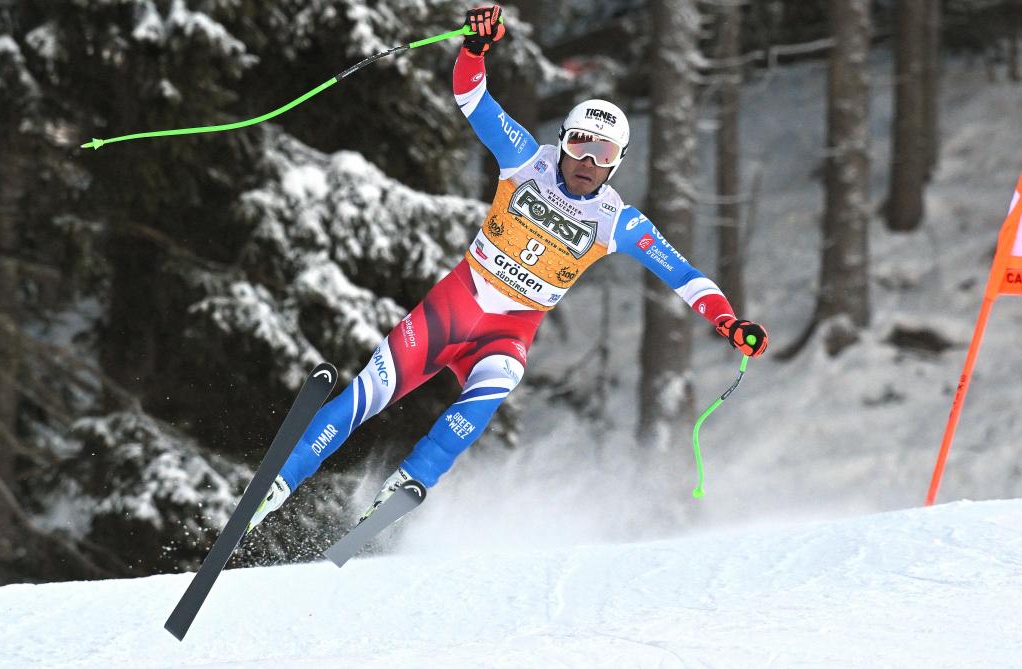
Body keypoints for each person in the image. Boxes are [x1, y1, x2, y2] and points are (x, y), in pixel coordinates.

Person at [248, 5, 769, 531]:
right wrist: (475, 48)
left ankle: (405, 488)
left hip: (508, 334)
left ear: (618, 162)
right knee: (368, 395)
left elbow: (683, 275)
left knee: (487, 394)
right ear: (562, 141)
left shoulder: (618, 221)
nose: (587, 162)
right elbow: (471, 96)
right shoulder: (524, 157)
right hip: (452, 309)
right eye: (579, 145)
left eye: (602, 154)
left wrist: (729, 322)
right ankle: (280, 483)